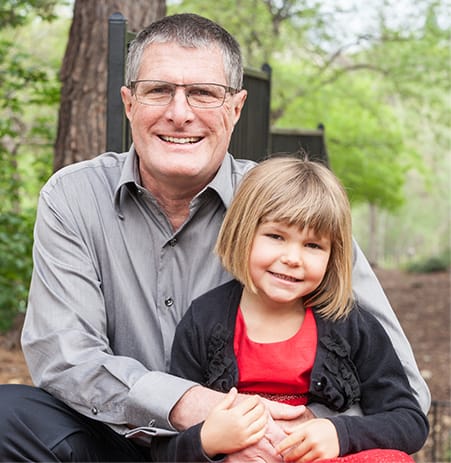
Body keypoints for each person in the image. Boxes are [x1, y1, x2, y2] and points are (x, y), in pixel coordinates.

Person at [0, 13, 429, 462]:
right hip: (126, 441)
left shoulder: (288, 206)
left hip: (290, 447)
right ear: (129, 103)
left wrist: (298, 436)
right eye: (158, 90)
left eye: (204, 93)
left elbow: (402, 393)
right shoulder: (73, 196)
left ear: (236, 108)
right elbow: (66, 356)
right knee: (9, 415)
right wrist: (200, 411)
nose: (180, 113)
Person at [150, 156, 428, 462]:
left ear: (333, 255)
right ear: (243, 233)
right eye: (276, 236)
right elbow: (165, 449)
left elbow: (409, 421)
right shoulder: (203, 320)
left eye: (313, 245)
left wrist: (340, 433)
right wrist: (209, 441)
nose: (293, 258)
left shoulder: (350, 324)